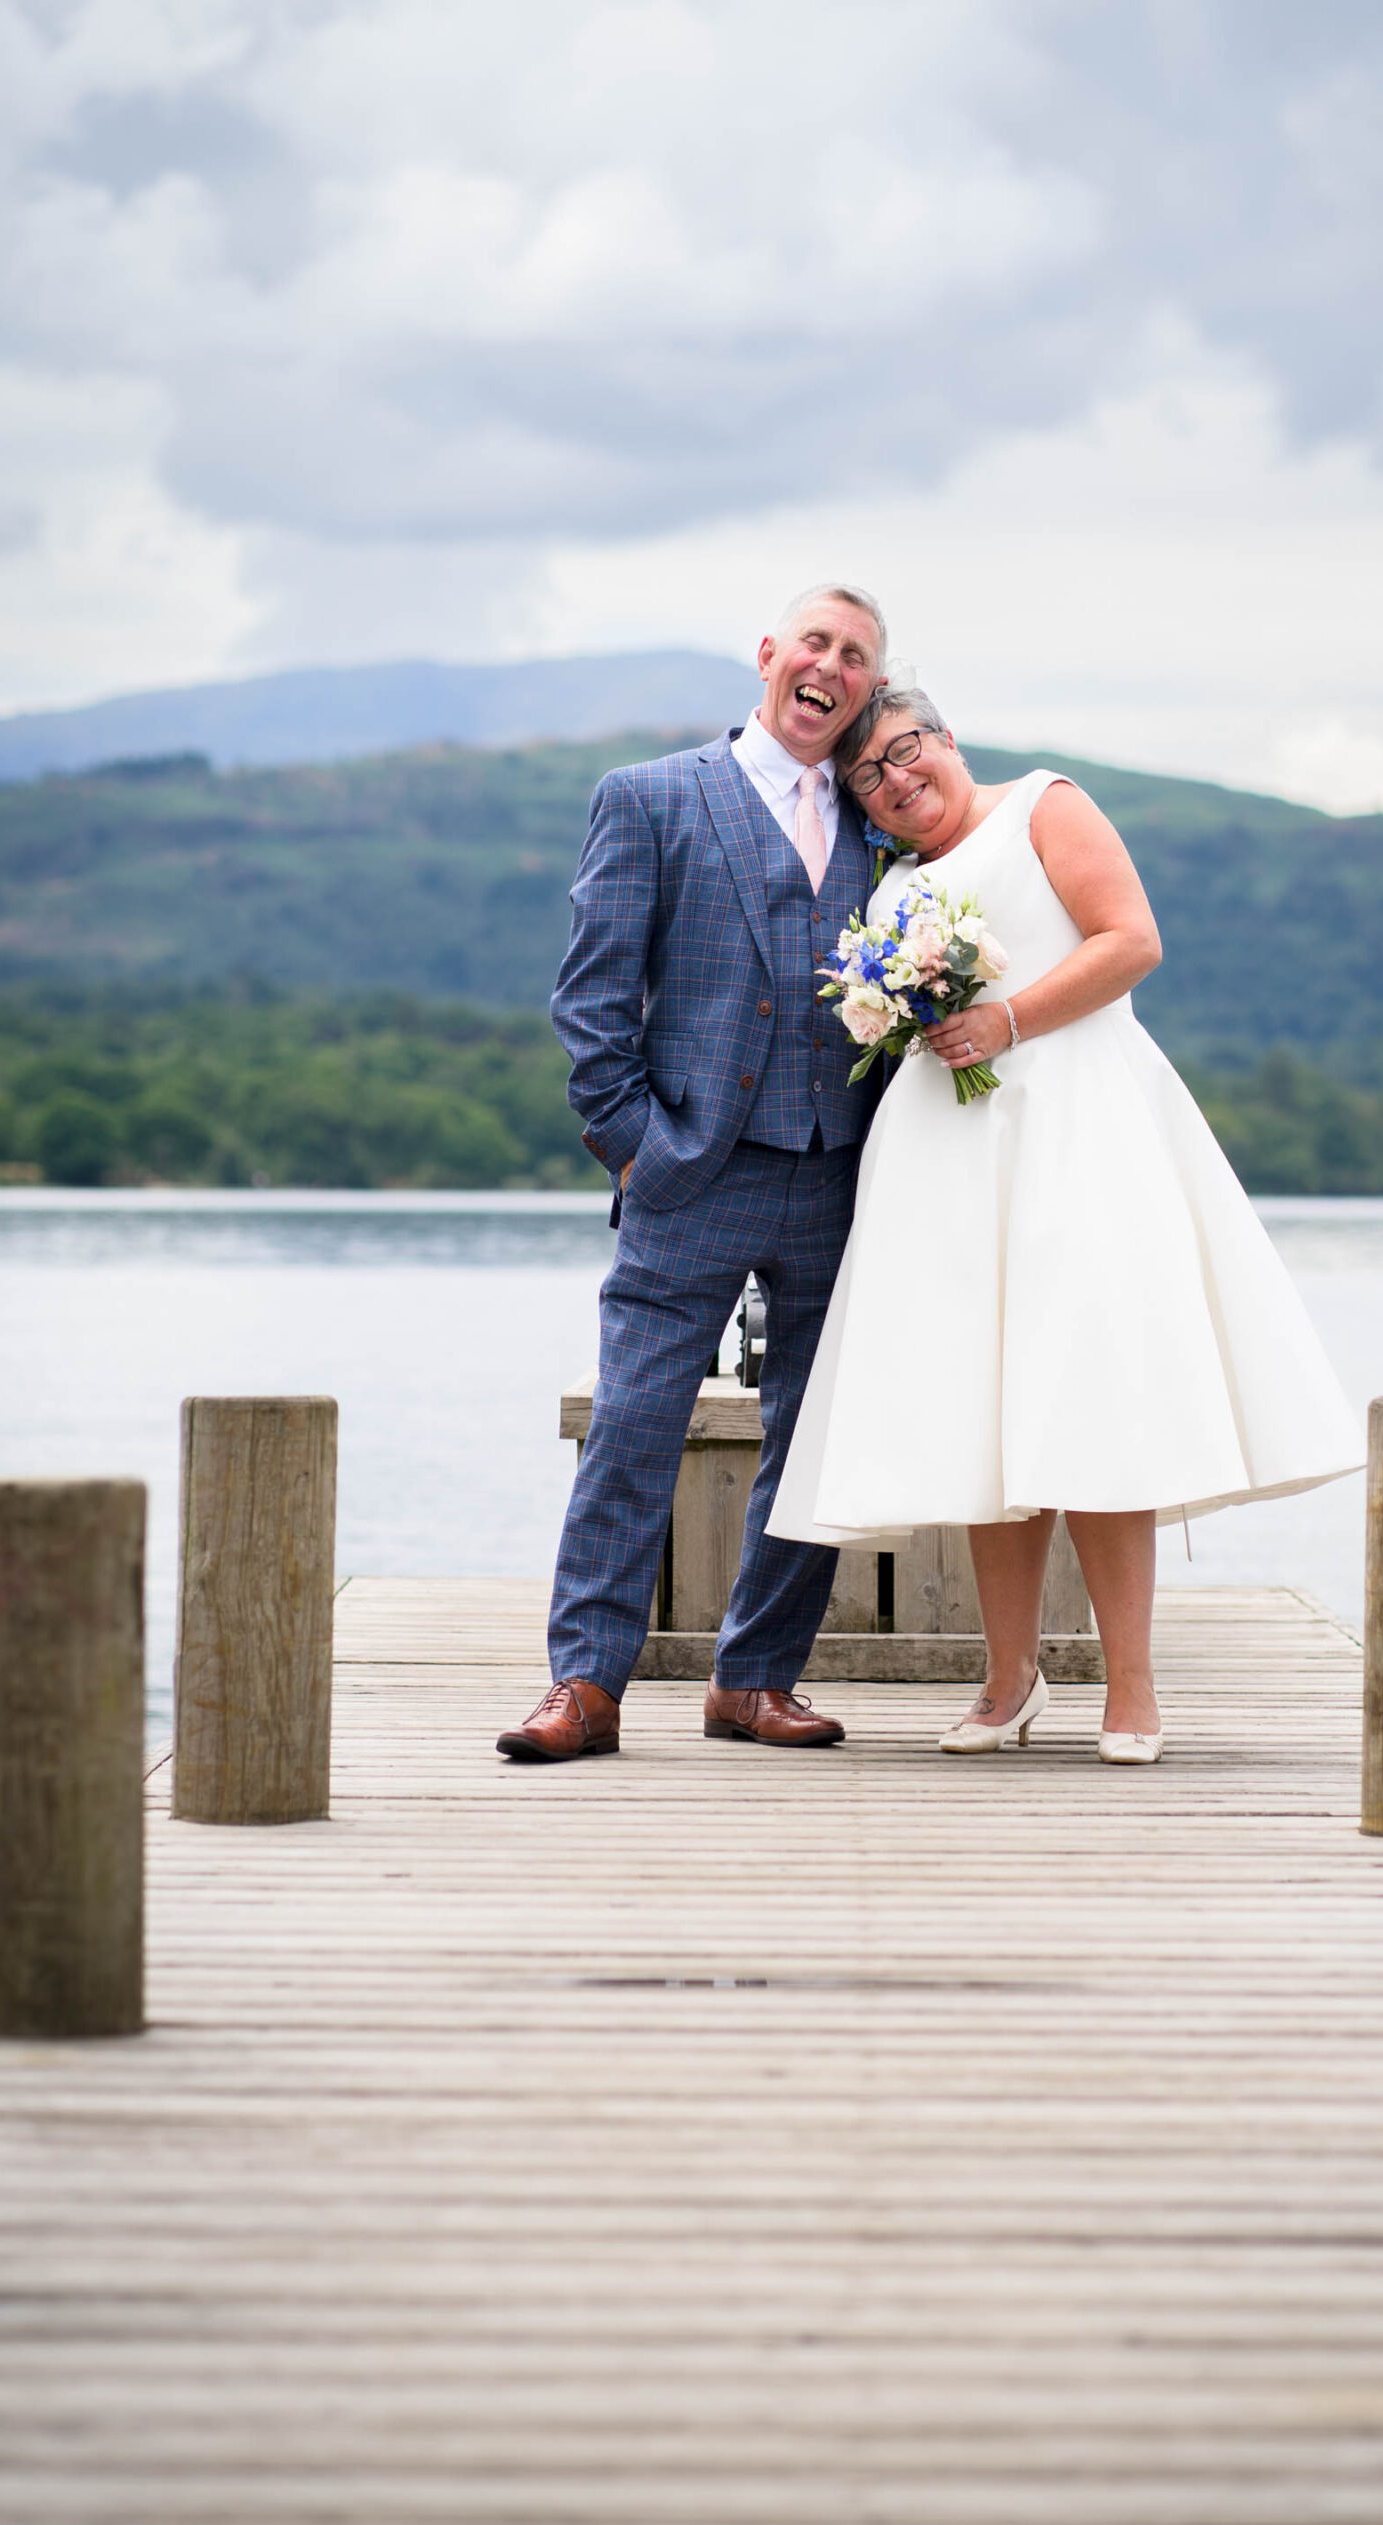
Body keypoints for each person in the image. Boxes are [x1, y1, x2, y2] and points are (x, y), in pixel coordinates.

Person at [768, 685, 1363, 1763]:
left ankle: (1130, 1691)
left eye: (907, 753)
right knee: (988, 1412)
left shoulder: (1044, 802)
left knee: (1092, 1398)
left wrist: (1008, 1016)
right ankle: (1008, 1683)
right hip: (950, 1155)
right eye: (872, 779)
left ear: (947, 740)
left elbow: (1131, 940)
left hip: (1078, 1131)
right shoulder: (898, 881)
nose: (900, 781)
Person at [497, 584, 888, 1765]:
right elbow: (591, 997)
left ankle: (755, 1679)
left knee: (812, 1438)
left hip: (841, 1177)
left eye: (858, 657)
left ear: (870, 688)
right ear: (769, 656)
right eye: (815, 643)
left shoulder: (887, 822)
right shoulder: (652, 797)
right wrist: (635, 1145)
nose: (830, 666)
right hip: (689, 1171)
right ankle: (585, 1684)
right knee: (632, 1423)